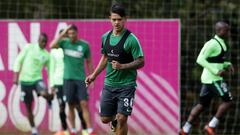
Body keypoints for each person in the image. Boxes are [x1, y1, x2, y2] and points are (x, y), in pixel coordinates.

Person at [85, 3, 144, 135]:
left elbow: (141, 61)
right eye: (114, 19)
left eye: (119, 19)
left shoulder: (131, 40)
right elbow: (105, 57)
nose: (116, 22)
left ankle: (118, 121)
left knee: (122, 118)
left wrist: (123, 66)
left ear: (125, 19)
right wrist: (93, 75)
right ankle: (114, 121)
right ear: (110, 19)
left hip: (127, 86)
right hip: (109, 84)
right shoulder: (105, 37)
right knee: (105, 119)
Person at [180, 21, 234, 135]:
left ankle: (185, 129)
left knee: (202, 105)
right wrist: (215, 71)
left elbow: (216, 61)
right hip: (213, 79)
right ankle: (210, 126)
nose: (228, 33)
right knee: (228, 101)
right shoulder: (212, 43)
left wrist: (227, 64)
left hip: (210, 79)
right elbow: (200, 59)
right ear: (219, 31)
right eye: (226, 30)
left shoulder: (222, 43)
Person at [50, 25, 96, 135]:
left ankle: (89, 130)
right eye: (69, 33)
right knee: (70, 105)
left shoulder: (84, 45)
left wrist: (92, 76)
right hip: (67, 79)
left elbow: (89, 61)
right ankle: (74, 130)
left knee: (83, 103)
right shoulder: (64, 43)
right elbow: (52, 45)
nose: (71, 35)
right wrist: (63, 33)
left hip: (80, 79)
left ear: (76, 33)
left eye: (72, 33)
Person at [13, 33, 53, 135]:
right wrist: (16, 77)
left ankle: (49, 99)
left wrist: (51, 86)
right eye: (42, 41)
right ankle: (34, 129)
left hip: (37, 80)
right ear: (38, 40)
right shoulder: (29, 48)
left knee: (44, 93)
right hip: (25, 81)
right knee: (29, 107)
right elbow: (18, 60)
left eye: (45, 42)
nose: (43, 43)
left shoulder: (46, 55)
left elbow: (49, 72)